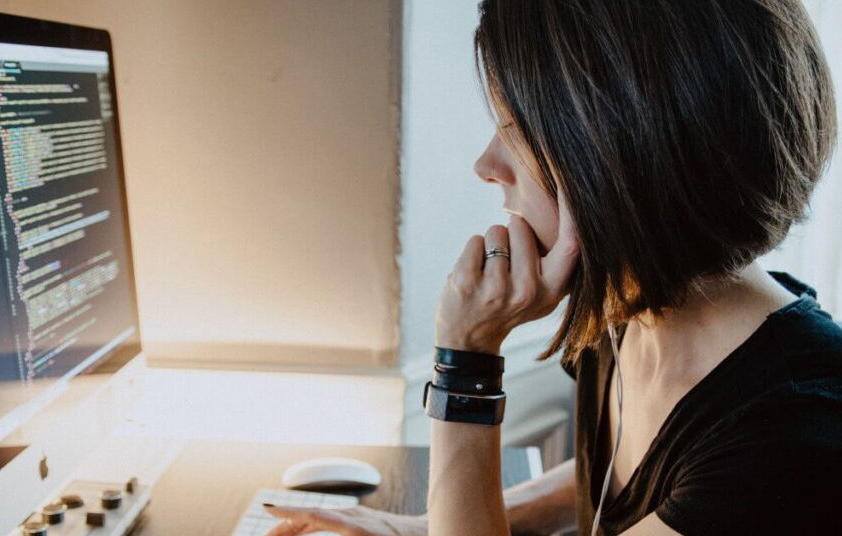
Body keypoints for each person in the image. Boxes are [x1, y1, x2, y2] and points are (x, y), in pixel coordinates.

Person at [263, 0, 842, 534]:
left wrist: (466, 360)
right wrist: (419, 525)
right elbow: (643, 471)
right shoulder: (631, 310)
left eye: (516, 131)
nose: (486, 164)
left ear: (624, 152)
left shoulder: (788, 438)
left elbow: (722, 478)